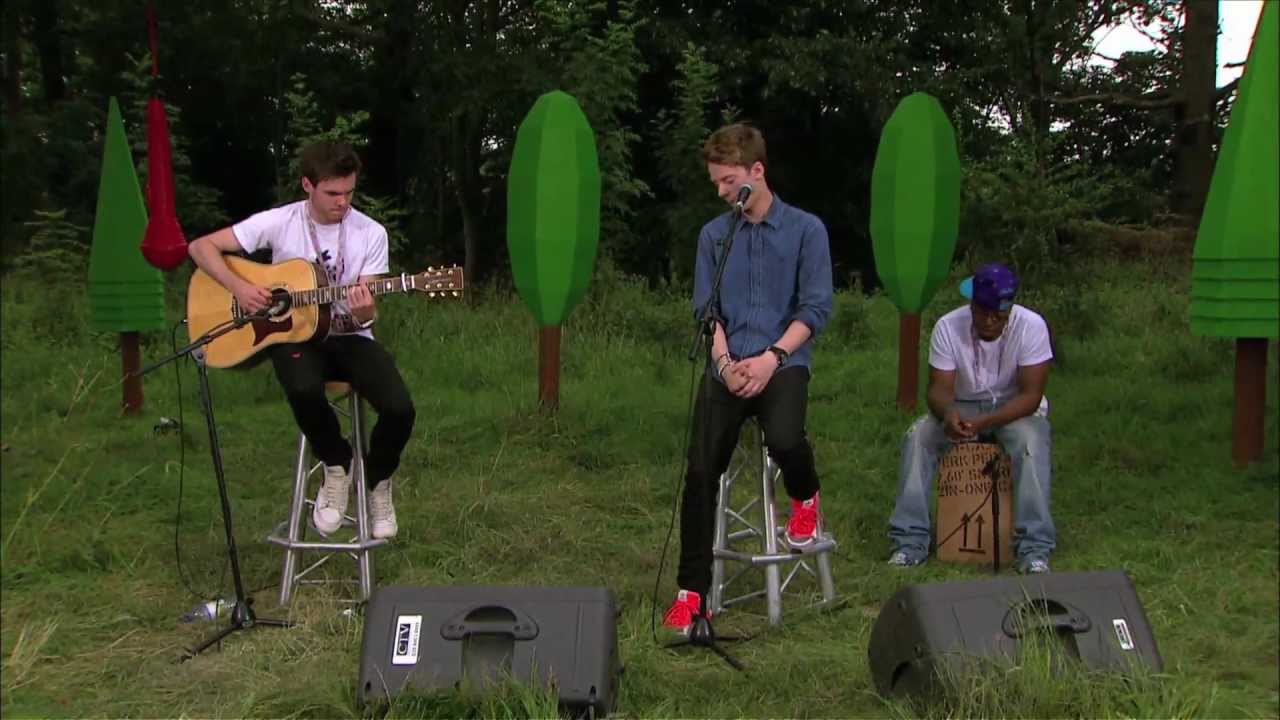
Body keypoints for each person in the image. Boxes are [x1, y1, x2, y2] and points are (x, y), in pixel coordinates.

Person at [188, 140, 414, 540]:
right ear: (307, 184)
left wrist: (365, 311)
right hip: (296, 337)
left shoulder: (371, 233)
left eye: (348, 192)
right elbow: (200, 247)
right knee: (304, 387)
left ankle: (378, 481)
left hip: (351, 337)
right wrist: (239, 287)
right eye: (332, 193)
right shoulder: (279, 221)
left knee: (400, 408)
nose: (342, 202)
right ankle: (336, 463)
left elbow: (368, 309)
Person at [664, 124, 834, 633]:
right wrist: (723, 363)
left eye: (728, 181)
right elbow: (707, 310)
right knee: (699, 470)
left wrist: (771, 359)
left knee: (785, 438)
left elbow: (815, 308)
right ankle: (692, 592)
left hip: (783, 360)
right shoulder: (715, 236)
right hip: (729, 362)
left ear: (757, 172)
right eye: (715, 182)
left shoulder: (806, 230)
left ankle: (805, 498)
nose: (720, 192)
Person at [886, 263, 1054, 573]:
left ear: (1010, 309)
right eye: (983, 313)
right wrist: (949, 414)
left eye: (999, 316)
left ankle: (1034, 550)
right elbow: (937, 390)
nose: (991, 322)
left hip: (1014, 406)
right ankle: (909, 543)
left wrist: (985, 423)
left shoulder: (1032, 326)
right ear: (971, 304)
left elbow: (1031, 396)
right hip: (962, 404)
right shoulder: (948, 327)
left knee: (1031, 441)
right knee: (918, 435)